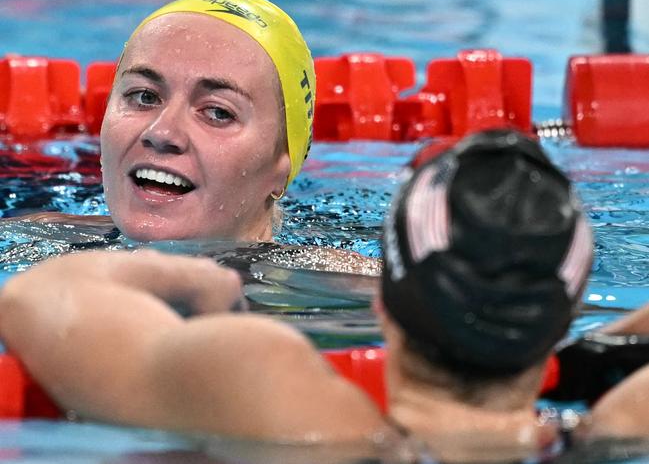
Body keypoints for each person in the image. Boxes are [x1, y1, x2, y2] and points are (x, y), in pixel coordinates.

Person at [3, 129, 649, 462]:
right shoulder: (619, 426)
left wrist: (198, 275)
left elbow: (42, 296)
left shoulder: (282, 399)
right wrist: (602, 349)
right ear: (560, 316)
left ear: (383, 304)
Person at [12, 0, 316, 243]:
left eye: (218, 112)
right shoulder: (32, 243)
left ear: (281, 170)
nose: (162, 133)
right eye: (145, 96)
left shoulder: (336, 292)